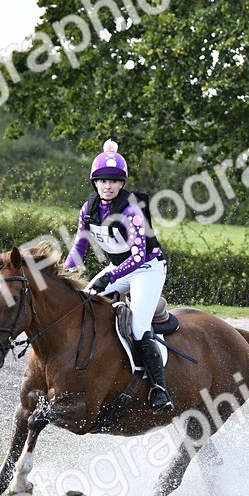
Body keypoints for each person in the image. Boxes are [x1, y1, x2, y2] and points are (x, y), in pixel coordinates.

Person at [63, 140, 174, 412]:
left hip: (147, 269)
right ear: (94, 183)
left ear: (122, 184)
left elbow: (138, 257)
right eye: (102, 181)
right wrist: (63, 272)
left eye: (114, 181)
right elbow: (80, 245)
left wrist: (108, 276)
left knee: (137, 327)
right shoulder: (88, 208)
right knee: (81, 304)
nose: (108, 186)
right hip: (119, 268)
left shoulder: (131, 210)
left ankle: (160, 390)